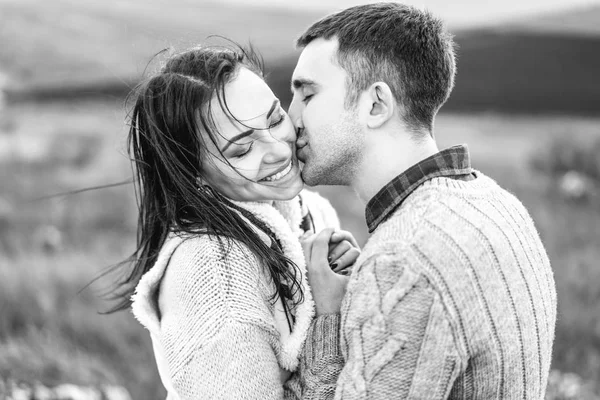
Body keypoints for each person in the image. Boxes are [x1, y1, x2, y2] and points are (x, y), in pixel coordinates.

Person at [288, 3, 557, 399]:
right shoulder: (496, 201)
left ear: (376, 104)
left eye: (307, 95)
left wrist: (328, 319)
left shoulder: (403, 259)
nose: (290, 117)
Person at [111, 45, 360, 399]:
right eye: (242, 149)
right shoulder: (214, 279)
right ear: (194, 172)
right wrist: (330, 317)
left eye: (274, 119)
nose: (278, 149)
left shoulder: (310, 212)